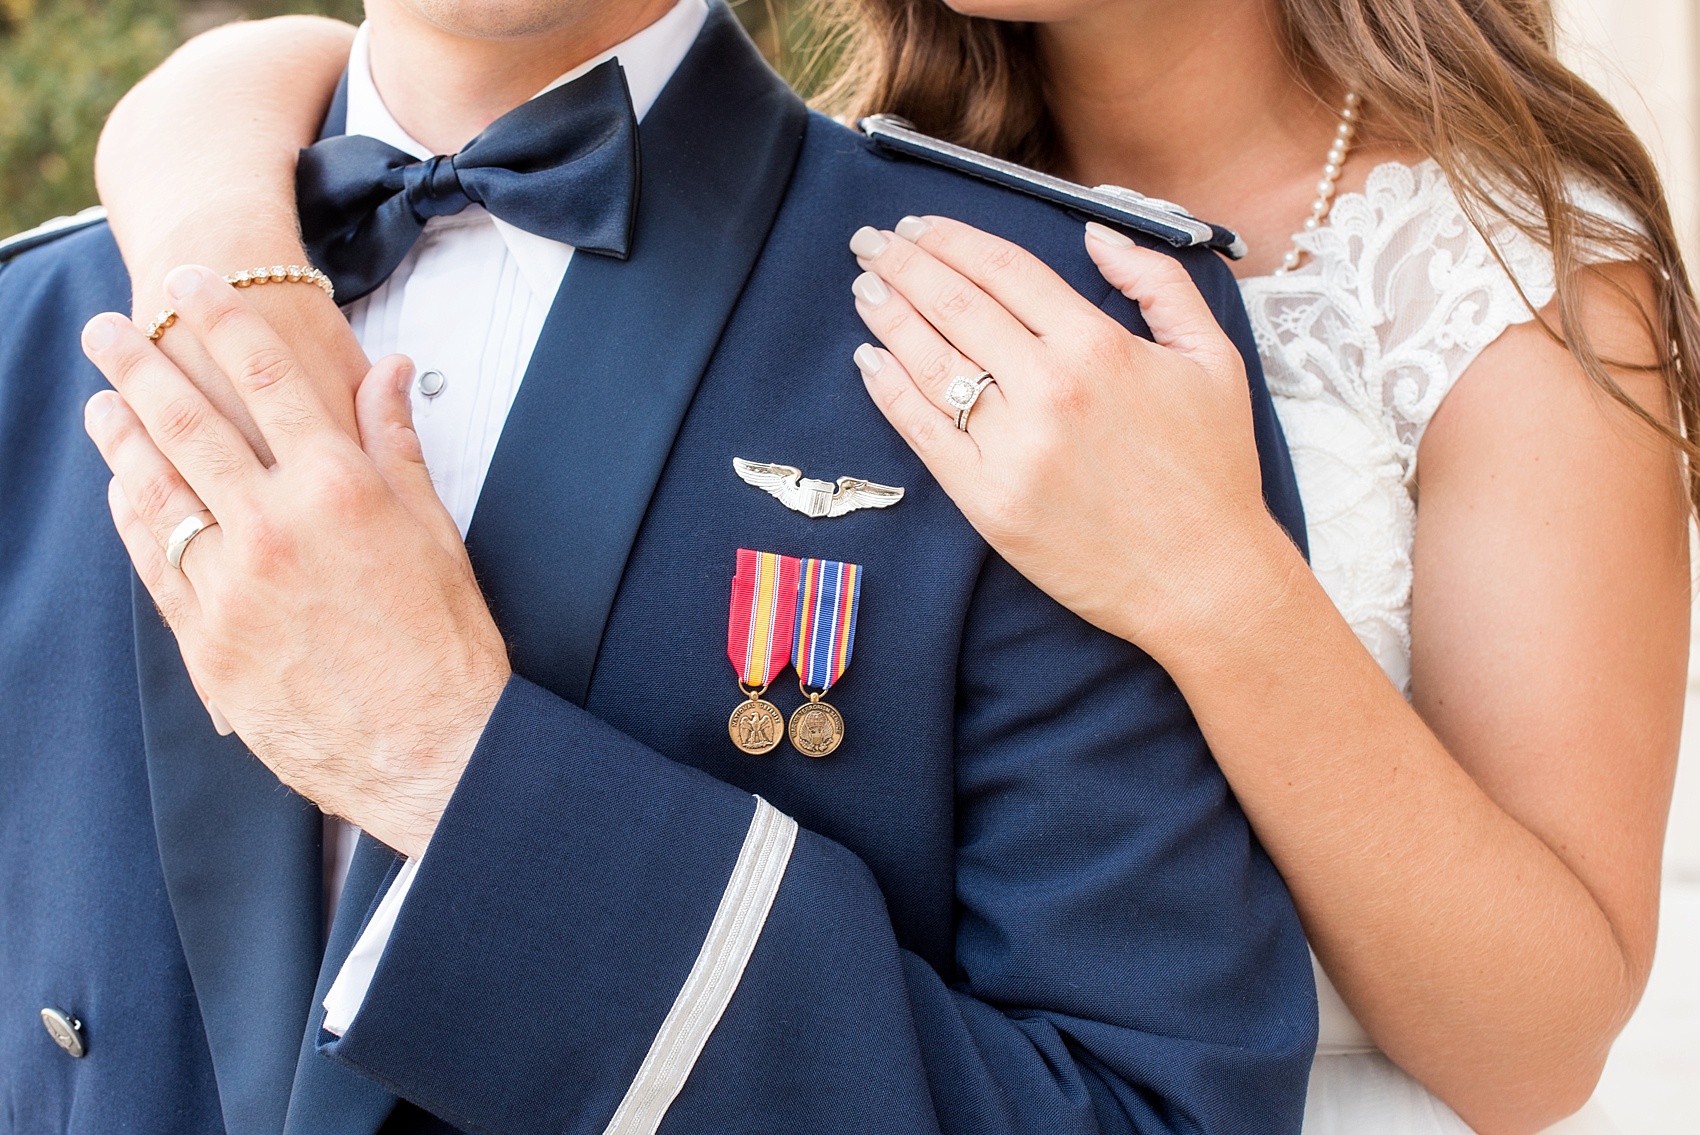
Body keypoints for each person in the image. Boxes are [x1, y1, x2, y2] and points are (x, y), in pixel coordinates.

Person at [76, 0, 1692, 1132]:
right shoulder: (851, 196)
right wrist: (224, 241)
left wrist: (1212, 582)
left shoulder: (1506, 272)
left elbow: (1535, 1047)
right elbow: (340, 73)